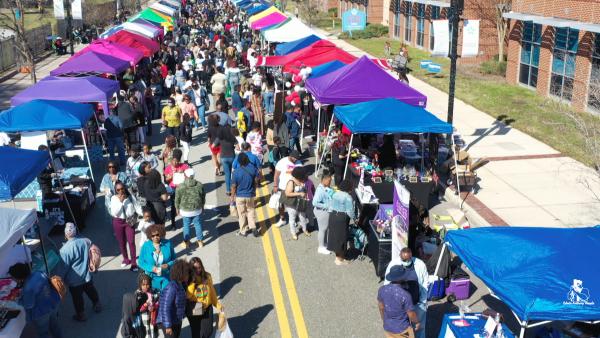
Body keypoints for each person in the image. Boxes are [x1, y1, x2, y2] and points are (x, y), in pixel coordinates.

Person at [59, 223, 102, 322]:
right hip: (87, 275)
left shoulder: (64, 250)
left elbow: (63, 268)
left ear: (65, 235)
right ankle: (97, 304)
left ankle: (81, 315)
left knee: (77, 298)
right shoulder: (86, 241)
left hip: (74, 281)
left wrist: (60, 279)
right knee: (91, 290)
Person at [8, 263, 62, 338]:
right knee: (54, 325)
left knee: (43, 333)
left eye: (13, 277)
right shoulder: (38, 273)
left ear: (18, 277)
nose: (13, 279)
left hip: (42, 312)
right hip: (54, 303)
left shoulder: (27, 288)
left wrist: (16, 299)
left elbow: (29, 305)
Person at [384, 248, 429, 338]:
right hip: (400, 306)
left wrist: (422, 301)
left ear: (411, 256)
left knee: (419, 328)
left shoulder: (420, 264)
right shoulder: (394, 264)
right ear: (400, 256)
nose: (405, 261)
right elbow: (387, 282)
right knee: (403, 330)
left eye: (407, 259)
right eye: (403, 260)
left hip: (417, 303)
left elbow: (425, 282)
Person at [378, 266, 421, 338]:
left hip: (388, 327)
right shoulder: (405, 295)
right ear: (401, 278)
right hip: (402, 329)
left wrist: (384, 320)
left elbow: (381, 307)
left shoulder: (382, 289)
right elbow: (411, 314)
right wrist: (417, 322)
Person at [186, 257, 223, 338]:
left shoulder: (207, 276)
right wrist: (194, 283)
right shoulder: (189, 280)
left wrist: (218, 305)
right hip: (195, 308)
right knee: (197, 333)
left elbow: (212, 293)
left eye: (199, 267)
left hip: (207, 307)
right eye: (195, 268)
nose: (198, 270)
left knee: (208, 331)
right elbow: (187, 296)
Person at [109, 181, 140, 272]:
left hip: (129, 222)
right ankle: (126, 259)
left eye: (122, 189)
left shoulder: (130, 196)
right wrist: (121, 202)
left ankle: (134, 263)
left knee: (131, 242)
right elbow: (114, 212)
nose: (120, 191)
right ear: (115, 190)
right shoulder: (114, 198)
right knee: (122, 242)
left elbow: (137, 206)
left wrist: (143, 214)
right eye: (118, 190)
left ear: (124, 188)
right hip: (118, 221)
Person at [157, 260, 191, 338]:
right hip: (168, 321)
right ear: (181, 273)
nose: (188, 275)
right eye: (187, 273)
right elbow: (165, 307)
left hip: (175, 320)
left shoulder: (180, 285)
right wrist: (168, 325)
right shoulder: (172, 287)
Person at [138, 224, 177, 291]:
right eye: (153, 236)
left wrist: (168, 265)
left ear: (161, 234)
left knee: (166, 295)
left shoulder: (168, 243)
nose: (155, 237)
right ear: (150, 236)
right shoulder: (146, 245)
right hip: (151, 277)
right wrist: (151, 268)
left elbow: (174, 259)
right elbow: (140, 262)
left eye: (157, 235)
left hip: (165, 276)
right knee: (153, 298)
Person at [175, 168, 206, 249]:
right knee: (197, 224)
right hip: (197, 209)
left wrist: (177, 208)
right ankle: (200, 241)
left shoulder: (180, 186)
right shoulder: (199, 185)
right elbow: (203, 197)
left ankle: (186, 242)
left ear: (185, 176)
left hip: (185, 211)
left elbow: (177, 199)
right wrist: (202, 206)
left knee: (186, 226)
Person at [231, 152, 260, 237]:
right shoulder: (253, 169)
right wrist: (255, 188)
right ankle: (253, 226)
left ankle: (243, 230)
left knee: (242, 213)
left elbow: (233, 186)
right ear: (247, 160)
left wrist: (232, 197)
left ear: (239, 162)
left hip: (240, 196)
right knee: (251, 211)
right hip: (250, 195)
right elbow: (256, 180)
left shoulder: (236, 172)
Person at [328, 179, 355, 265]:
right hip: (341, 218)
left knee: (335, 236)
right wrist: (355, 219)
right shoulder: (348, 197)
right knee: (342, 238)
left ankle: (337, 255)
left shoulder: (335, 193)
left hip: (332, 216)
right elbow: (350, 211)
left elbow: (330, 206)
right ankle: (340, 259)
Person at [273, 150, 302, 227]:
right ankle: (282, 219)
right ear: (290, 156)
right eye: (294, 158)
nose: (296, 160)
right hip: (282, 187)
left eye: (297, 159)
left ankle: (292, 219)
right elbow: (276, 175)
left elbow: (302, 175)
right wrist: (275, 186)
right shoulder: (282, 162)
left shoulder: (299, 163)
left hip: (294, 188)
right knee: (281, 205)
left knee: (293, 205)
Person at [282, 166, 309, 240]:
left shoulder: (303, 180)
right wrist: (299, 194)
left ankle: (304, 229)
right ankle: (293, 233)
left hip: (301, 202)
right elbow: (287, 193)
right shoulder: (291, 182)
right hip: (292, 204)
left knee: (303, 217)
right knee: (292, 218)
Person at [313, 170, 333, 255]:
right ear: (324, 180)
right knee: (322, 230)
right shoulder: (320, 190)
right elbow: (314, 202)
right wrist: (326, 206)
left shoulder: (324, 187)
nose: (330, 182)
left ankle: (324, 244)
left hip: (324, 212)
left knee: (324, 230)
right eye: (329, 181)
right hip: (322, 213)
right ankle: (320, 247)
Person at [133, 274, 159, 338]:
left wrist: (154, 306)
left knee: (153, 330)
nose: (146, 286)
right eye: (143, 285)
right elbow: (137, 308)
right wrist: (145, 305)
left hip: (153, 315)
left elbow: (158, 301)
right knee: (146, 331)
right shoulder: (138, 294)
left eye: (147, 284)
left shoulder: (153, 291)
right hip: (143, 317)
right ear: (140, 285)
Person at [217, 125, 238, 196]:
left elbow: (214, 145)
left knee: (227, 174)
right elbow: (238, 146)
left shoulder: (220, 138)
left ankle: (228, 190)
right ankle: (235, 188)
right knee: (234, 173)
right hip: (232, 156)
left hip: (223, 157)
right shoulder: (232, 137)